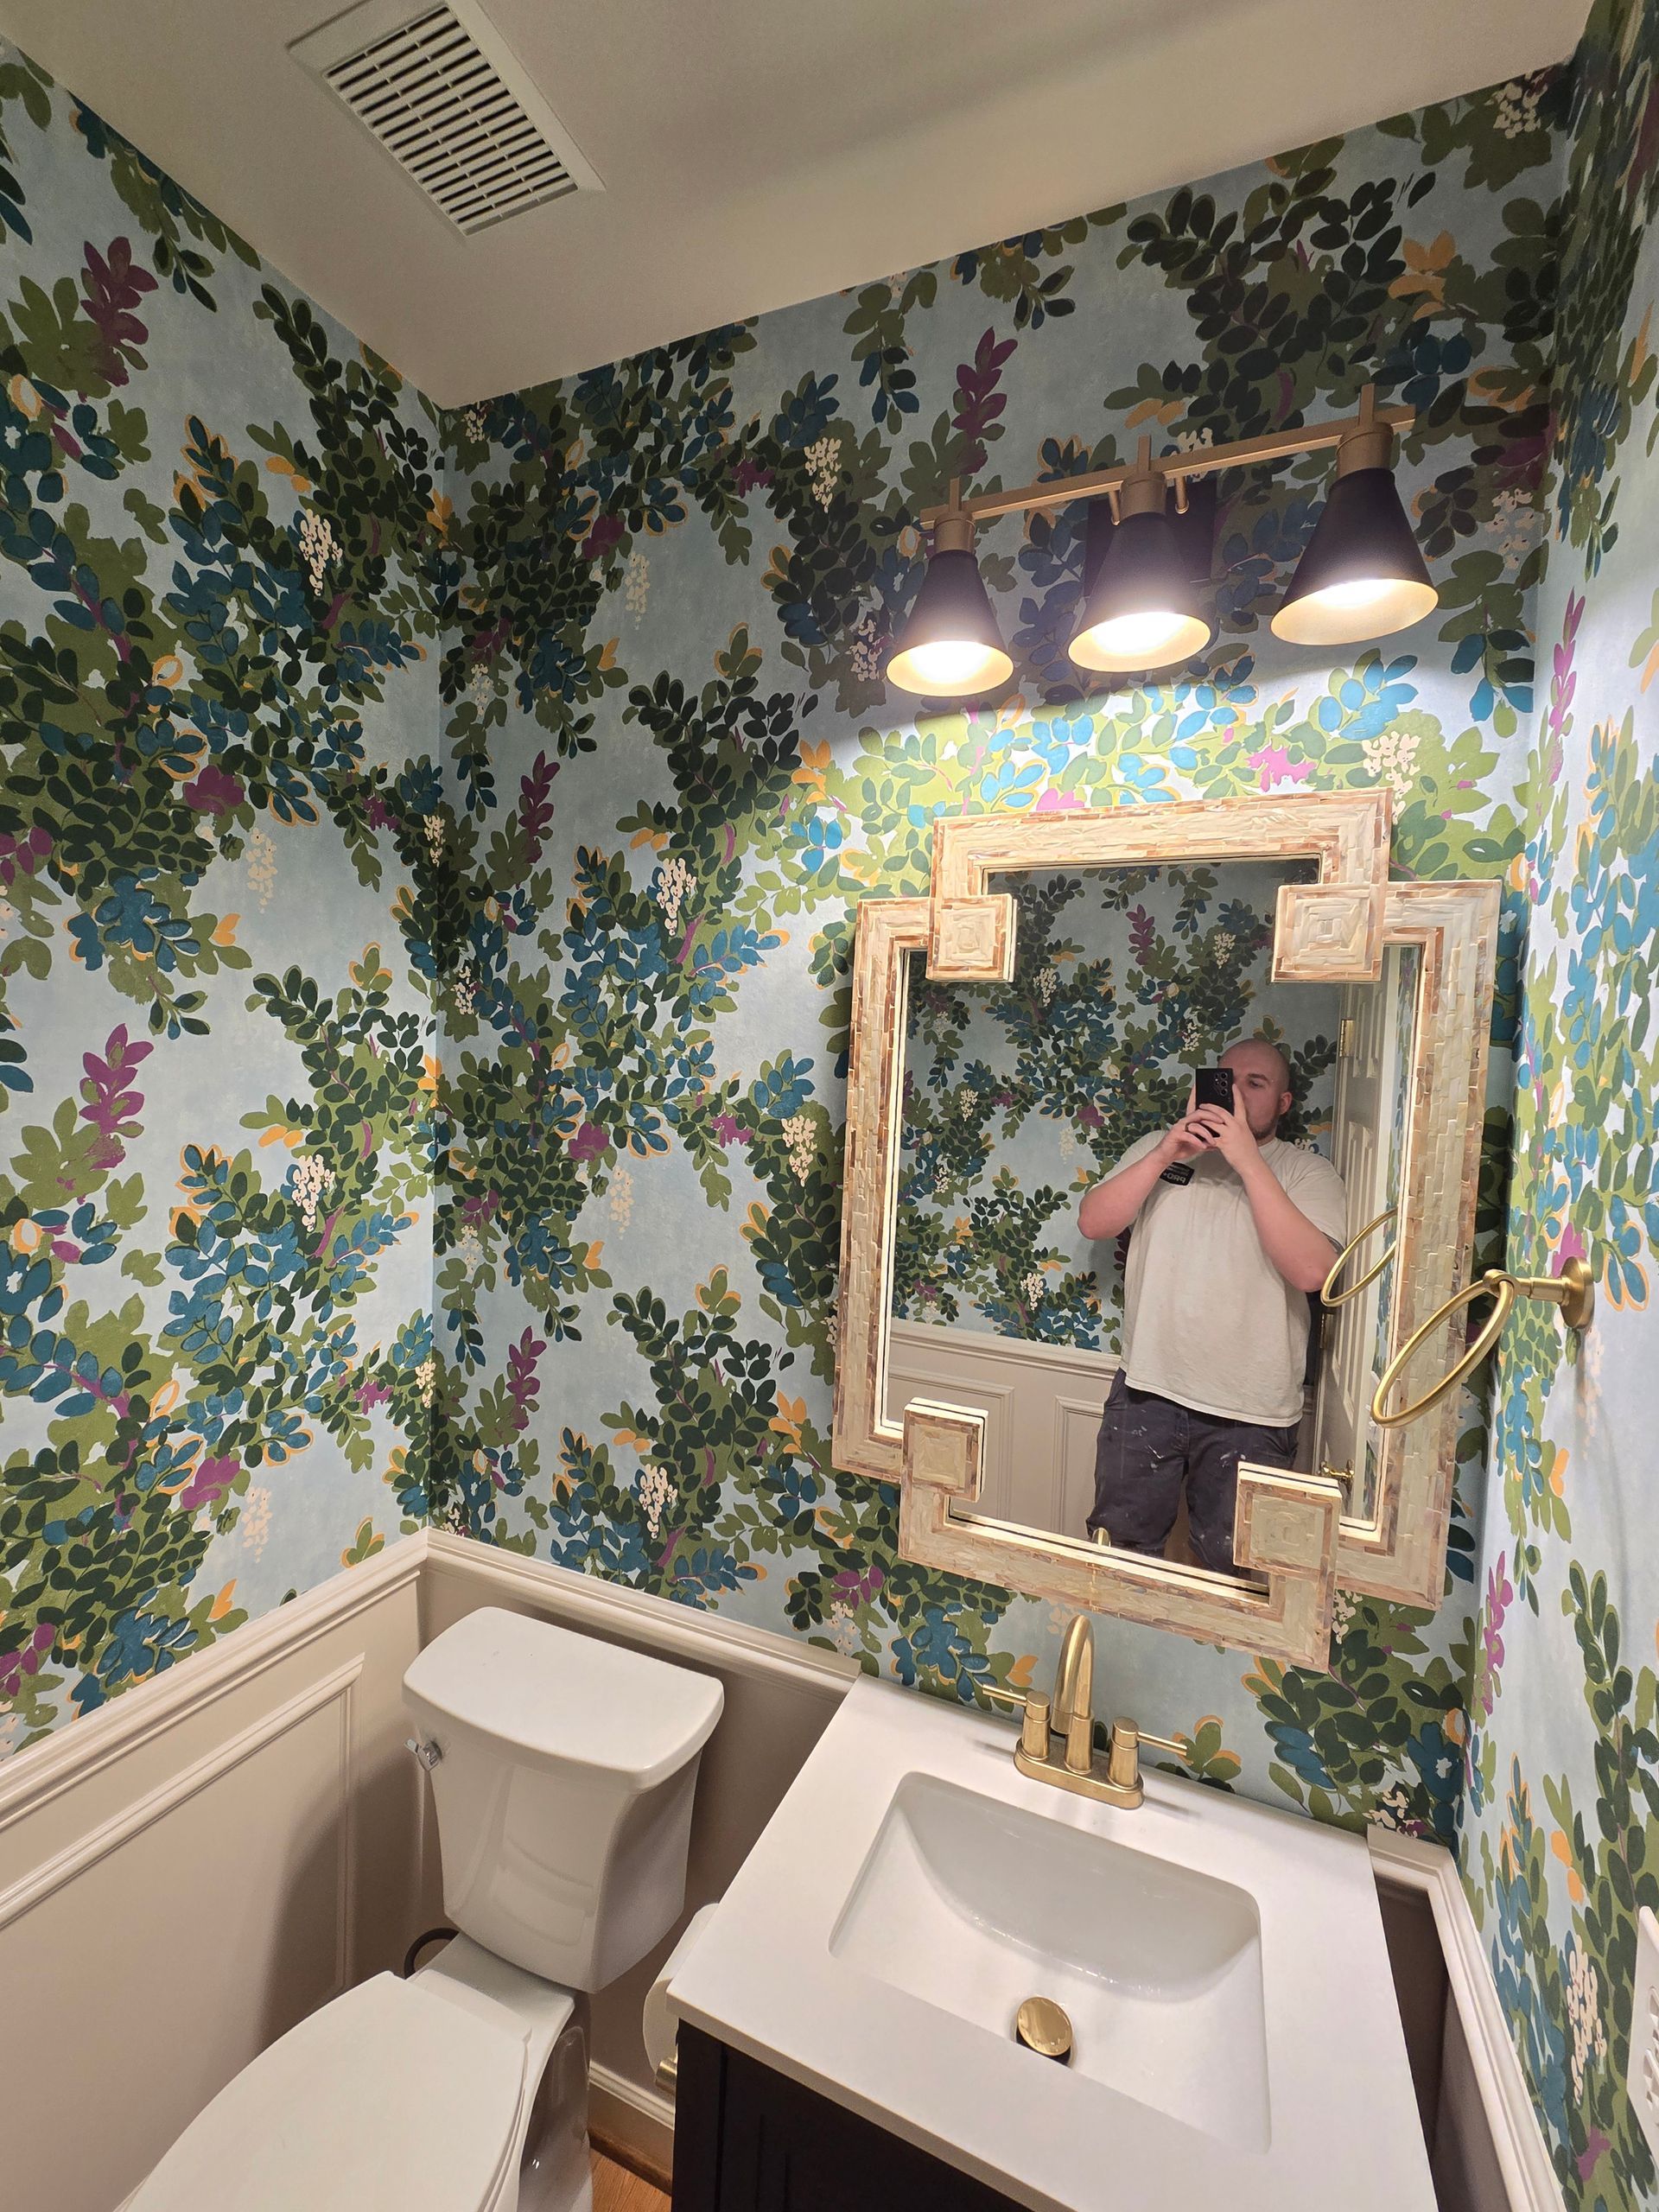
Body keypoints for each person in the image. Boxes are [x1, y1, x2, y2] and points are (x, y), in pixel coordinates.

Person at [1077, 1037, 1348, 1573]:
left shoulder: (1307, 1173)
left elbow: (1314, 1272)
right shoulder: (1159, 1149)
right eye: (1226, 1080)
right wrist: (1165, 1153)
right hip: (1146, 1391)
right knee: (1118, 1556)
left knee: (1237, 1572)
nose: (1237, 1094)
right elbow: (1094, 1222)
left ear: (1284, 1103)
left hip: (1252, 1414)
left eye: (1256, 1083)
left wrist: (1247, 1159)